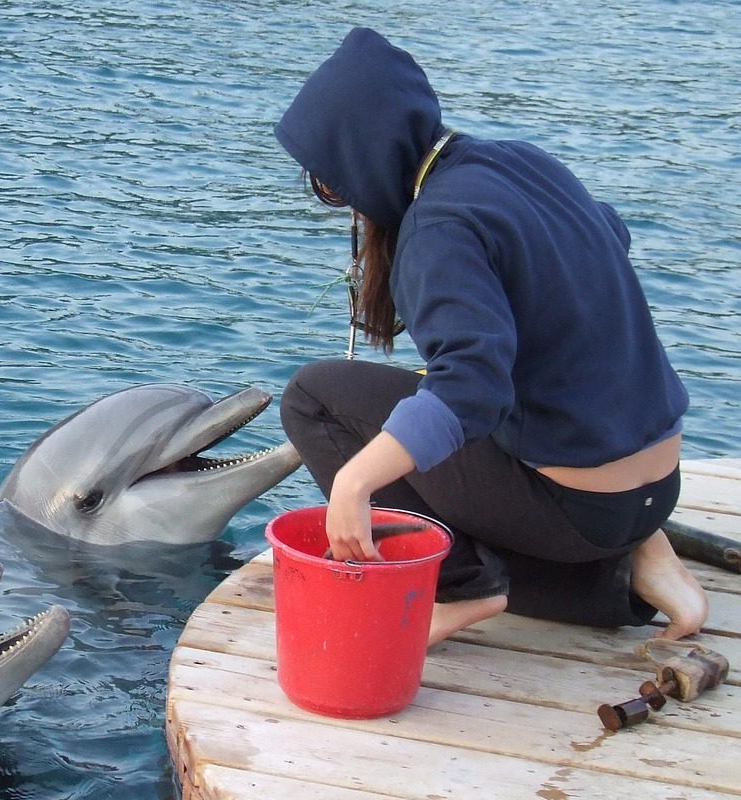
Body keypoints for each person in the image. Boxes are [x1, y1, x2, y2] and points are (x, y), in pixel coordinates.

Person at [272, 27, 708, 646]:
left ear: (364, 160)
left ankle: (456, 589)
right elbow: (610, 238)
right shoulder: (521, 161)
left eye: (330, 183)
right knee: (426, 404)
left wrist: (355, 481)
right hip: (654, 489)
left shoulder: (436, 228)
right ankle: (634, 566)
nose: (338, 201)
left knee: (315, 397)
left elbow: (472, 386)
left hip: (579, 509)